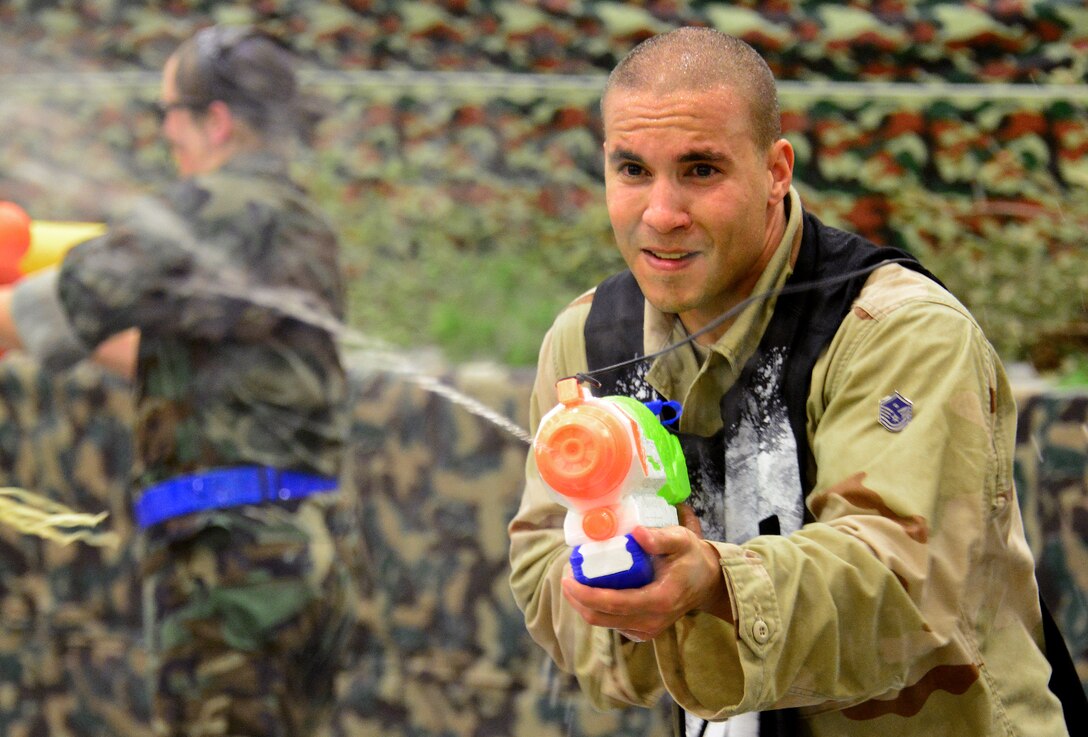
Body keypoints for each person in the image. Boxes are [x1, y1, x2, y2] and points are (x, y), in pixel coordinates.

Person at [508, 27, 1076, 737]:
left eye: (700, 170)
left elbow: (897, 585)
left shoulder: (895, 330)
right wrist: (627, 591)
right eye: (631, 169)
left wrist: (714, 582)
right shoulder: (589, 341)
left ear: (778, 170)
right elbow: (541, 560)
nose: (661, 212)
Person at [0, 25, 354, 737]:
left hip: (231, 567)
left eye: (169, 113)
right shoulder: (300, 224)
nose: (166, 134)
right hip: (305, 559)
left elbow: (44, 313)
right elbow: (186, 361)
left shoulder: (203, 211)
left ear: (214, 119)